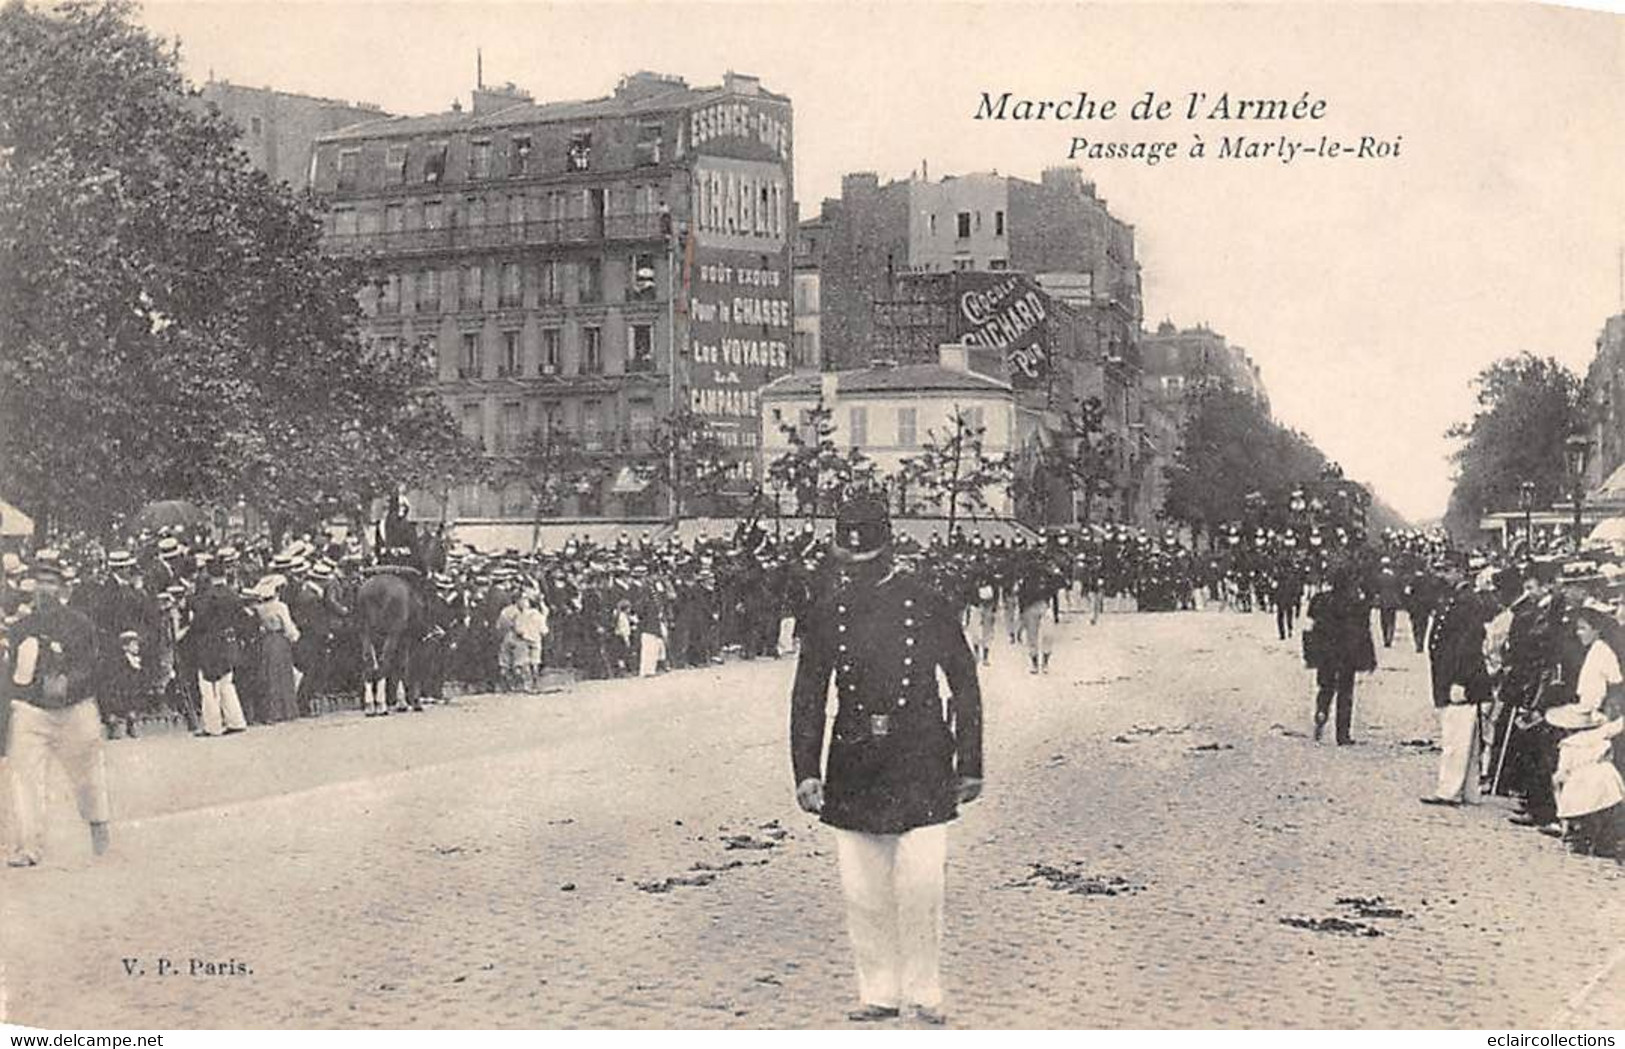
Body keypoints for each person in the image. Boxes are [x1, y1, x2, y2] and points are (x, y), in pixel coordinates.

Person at [789, 491, 983, 1025]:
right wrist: (806, 770)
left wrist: (970, 760)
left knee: (922, 884)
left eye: (865, 561)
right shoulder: (828, 611)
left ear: (887, 548)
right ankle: (877, 990)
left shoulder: (926, 600)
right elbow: (808, 693)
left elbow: (963, 680)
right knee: (863, 888)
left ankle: (925, 990)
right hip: (854, 758)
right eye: (847, 562)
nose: (853, 571)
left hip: (920, 754)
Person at [6, 562, 110, 867]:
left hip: (74, 709)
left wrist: (69, 681)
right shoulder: (20, 627)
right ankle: (28, 846)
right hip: (32, 710)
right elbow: (13, 673)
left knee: (88, 775)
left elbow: (94, 666)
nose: (44, 589)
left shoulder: (80, 624)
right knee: (24, 776)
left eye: (50, 583)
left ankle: (98, 828)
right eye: (38, 582)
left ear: (62, 588)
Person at [1421, 570, 1501, 806]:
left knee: (1456, 738)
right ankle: (1468, 789)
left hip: (1460, 677)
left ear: (1458, 571)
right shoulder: (1456, 597)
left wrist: (1460, 680)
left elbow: (1467, 645)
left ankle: (1449, 790)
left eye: (1447, 569)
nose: (1442, 574)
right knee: (1466, 737)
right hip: (1450, 675)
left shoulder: (1467, 602)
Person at [1304, 565, 1376, 744]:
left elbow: (1311, 616)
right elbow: (1363, 628)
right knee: (1345, 693)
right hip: (1347, 654)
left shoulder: (1321, 600)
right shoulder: (1354, 603)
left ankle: (1321, 712)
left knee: (1325, 687)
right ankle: (1342, 734)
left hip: (1326, 653)